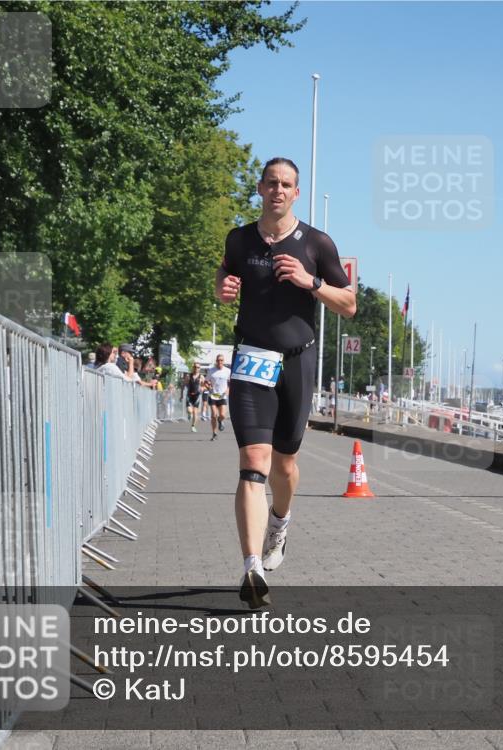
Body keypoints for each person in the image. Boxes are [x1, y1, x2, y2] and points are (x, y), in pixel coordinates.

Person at [215, 157, 355, 608]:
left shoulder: (317, 242)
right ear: (260, 188)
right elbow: (225, 271)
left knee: (285, 465)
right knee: (252, 462)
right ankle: (251, 567)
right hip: (251, 358)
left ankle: (280, 521)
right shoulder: (239, 239)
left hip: (297, 361)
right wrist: (222, 287)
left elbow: (349, 303)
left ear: (297, 193)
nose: (278, 189)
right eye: (271, 182)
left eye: (287, 184)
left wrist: (310, 281)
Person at [206, 353, 232, 441]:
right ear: (216, 361)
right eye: (218, 360)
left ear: (223, 361)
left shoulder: (227, 371)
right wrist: (208, 387)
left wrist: (227, 390)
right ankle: (214, 433)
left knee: (222, 415)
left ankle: (220, 421)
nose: (220, 362)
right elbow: (206, 381)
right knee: (214, 415)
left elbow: (230, 383)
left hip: (222, 396)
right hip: (213, 395)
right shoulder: (211, 370)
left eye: (221, 360)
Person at [184, 364, 203, 432]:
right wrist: (181, 394)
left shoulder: (201, 377)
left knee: (195, 412)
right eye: (195, 367)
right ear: (193, 368)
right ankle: (189, 414)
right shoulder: (188, 376)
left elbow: (204, 385)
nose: (196, 368)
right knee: (190, 411)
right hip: (189, 395)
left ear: (199, 368)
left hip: (197, 396)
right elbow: (184, 384)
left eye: (198, 367)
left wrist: (202, 388)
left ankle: (193, 426)